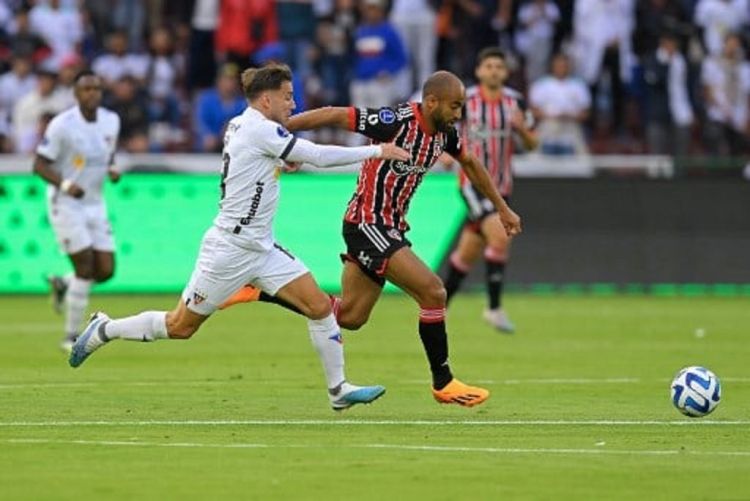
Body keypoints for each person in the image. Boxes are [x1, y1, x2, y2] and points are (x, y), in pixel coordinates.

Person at [69, 64, 410, 411]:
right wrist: (377, 151)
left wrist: (280, 162)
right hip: (228, 249)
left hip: (262, 247)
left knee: (321, 307)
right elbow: (317, 156)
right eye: (287, 97)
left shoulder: (244, 124)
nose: (293, 104)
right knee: (180, 326)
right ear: (266, 100)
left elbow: (265, 160)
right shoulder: (260, 130)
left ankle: (338, 390)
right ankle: (105, 329)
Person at [222, 70, 523, 408]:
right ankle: (444, 382)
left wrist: (502, 209)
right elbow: (336, 114)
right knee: (434, 291)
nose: (458, 114)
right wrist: (281, 132)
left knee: (350, 317)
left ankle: (258, 290)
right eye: (454, 106)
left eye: (462, 107)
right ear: (432, 101)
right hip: (368, 224)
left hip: (389, 226)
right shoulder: (394, 120)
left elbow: (470, 162)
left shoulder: (445, 135)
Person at [442, 48, 538, 333]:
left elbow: (534, 145)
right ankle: (494, 309)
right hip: (471, 184)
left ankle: (439, 307)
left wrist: (522, 131)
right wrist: (446, 153)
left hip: (502, 186)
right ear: (480, 71)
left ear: (506, 72)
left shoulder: (515, 102)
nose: (494, 70)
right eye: (489, 66)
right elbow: (441, 129)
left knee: (467, 253)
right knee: (500, 234)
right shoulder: (466, 100)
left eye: (499, 66)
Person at [32, 70, 121, 352]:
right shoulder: (62, 125)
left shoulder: (111, 121)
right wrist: (66, 184)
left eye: (96, 89)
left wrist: (112, 169)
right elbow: (39, 165)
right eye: (86, 89)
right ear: (76, 94)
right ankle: (70, 337)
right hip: (66, 203)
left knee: (105, 270)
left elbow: (107, 155)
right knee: (85, 266)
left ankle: (62, 283)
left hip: (95, 203)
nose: (92, 93)